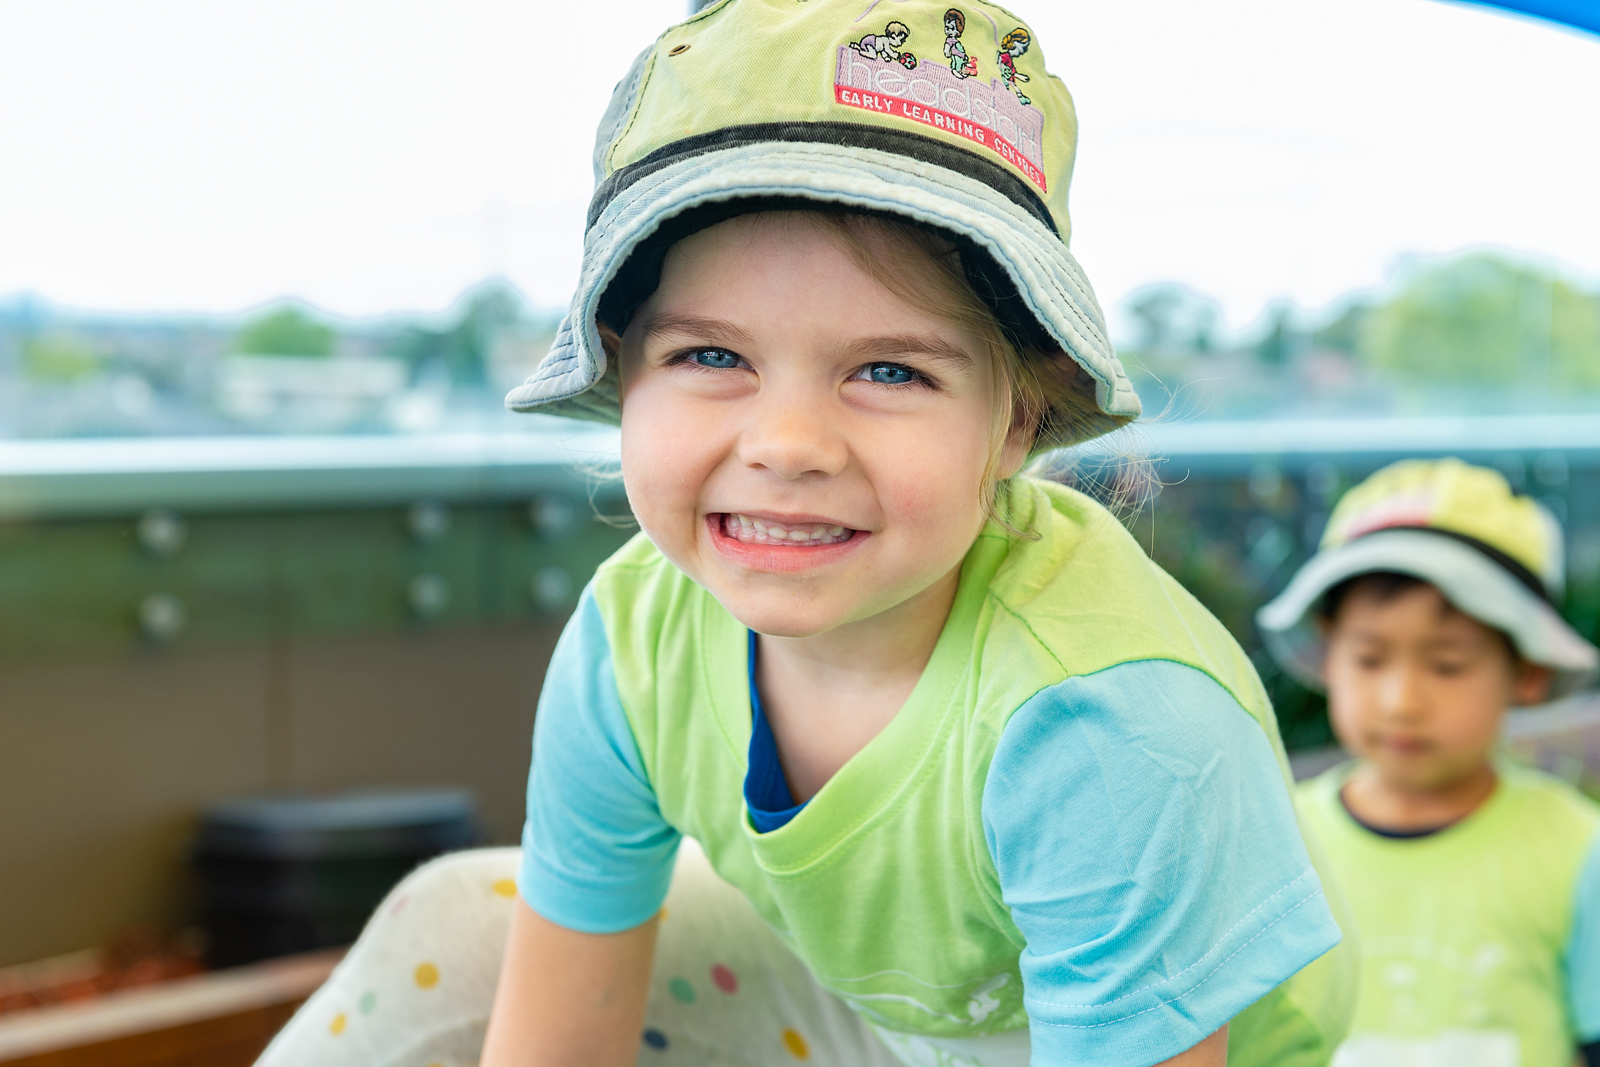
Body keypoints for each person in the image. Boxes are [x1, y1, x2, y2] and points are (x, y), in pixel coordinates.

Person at [256, 2, 1353, 1064]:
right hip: (876, 1012)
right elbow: (561, 1032)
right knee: (455, 922)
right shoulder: (635, 636)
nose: (787, 443)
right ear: (621, 369)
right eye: (709, 356)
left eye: (889, 370)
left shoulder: (1108, 724)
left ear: (1017, 418)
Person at [1258, 458, 1600, 1067]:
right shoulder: (1281, 847)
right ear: (1328, 651)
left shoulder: (1579, 850)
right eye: (1369, 658)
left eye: (1447, 664)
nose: (1401, 702)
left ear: (1527, 671)